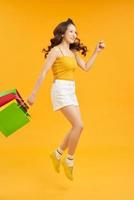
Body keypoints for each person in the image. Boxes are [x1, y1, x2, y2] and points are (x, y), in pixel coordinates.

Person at [27, 18, 105, 181]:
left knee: (76, 127)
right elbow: (43, 73)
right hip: (60, 89)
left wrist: (96, 52)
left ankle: (57, 154)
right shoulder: (56, 51)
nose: (74, 34)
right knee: (79, 125)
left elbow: (86, 68)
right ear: (62, 33)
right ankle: (69, 161)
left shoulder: (73, 52)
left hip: (71, 90)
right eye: (71, 31)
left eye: (76, 32)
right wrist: (33, 93)